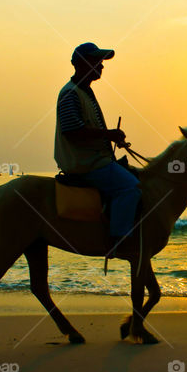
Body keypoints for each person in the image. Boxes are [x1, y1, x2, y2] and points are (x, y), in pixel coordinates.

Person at [54, 42, 141, 254]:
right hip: (85, 164)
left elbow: (88, 130)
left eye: (100, 62)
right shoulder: (70, 94)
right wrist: (108, 134)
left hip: (96, 160)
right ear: (82, 64)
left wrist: (111, 138)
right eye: (96, 62)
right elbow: (73, 132)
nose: (101, 66)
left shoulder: (85, 92)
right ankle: (119, 240)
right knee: (130, 187)